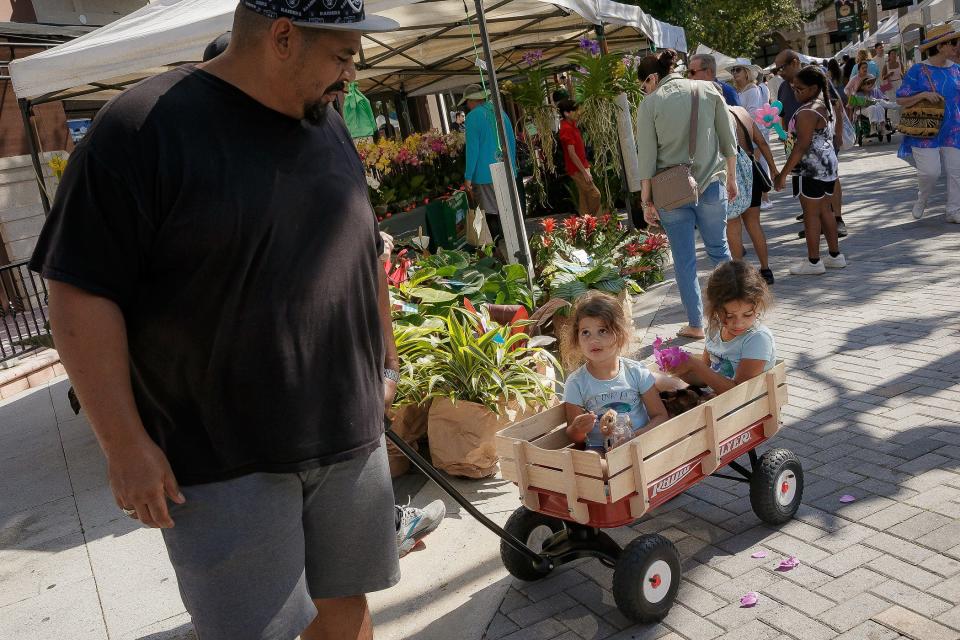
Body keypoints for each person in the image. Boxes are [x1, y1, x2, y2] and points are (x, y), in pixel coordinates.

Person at [28, 1, 424, 638]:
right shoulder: (139, 129)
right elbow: (78, 295)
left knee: (346, 612)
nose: (351, 74)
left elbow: (364, 248)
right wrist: (124, 445)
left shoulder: (324, 124)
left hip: (347, 437)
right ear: (284, 37)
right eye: (343, 55)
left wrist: (387, 364)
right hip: (220, 456)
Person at [636, 49, 737, 340]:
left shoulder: (650, 104)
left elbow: (647, 159)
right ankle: (733, 315)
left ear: (653, 77)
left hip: (671, 190)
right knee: (720, 251)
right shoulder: (708, 90)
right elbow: (728, 140)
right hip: (711, 183)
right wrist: (732, 178)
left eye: (644, 84)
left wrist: (646, 201)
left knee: (684, 259)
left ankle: (696, 324)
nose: (645, 89)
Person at [562, 291, 669, 454]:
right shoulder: (576, 382)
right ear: (576, 338)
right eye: (585, 332)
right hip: (599, 449)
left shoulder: (635, 372)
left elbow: (660, 416)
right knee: (592, 459)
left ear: (619, 334)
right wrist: (578, 429)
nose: (593, 340)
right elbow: (574, 437)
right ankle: (608, 470)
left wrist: (636, 438)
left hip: (638, 443)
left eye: (603, 330)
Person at [662, 261, 776, 394]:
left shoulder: (757, 339)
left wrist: (695, 364)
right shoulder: (715, 328)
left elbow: (737, 393)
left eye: (747, 314)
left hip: (744, 408)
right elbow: (704, 380)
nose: (738, 323)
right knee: (653, 383)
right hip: (715, 400)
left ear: (758, 306)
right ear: (715, 308)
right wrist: (681, 370)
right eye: (729, 315)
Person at [775, 66, 847, 275]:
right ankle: (835, 256)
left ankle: (814, 261)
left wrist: (782, 174)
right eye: (794, 88)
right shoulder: (822, 104)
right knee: (826, 211)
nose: (795, 92)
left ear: (813, 87)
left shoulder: (807, 111)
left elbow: (802, 145)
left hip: (811, 169)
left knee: (811, 215)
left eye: (800, 89)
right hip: (826, 165)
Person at [896, 23, 960, 222]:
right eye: (953, 44)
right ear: (940, 46)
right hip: (925, 129)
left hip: (953, 129)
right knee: (930, 173)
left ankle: (953, 210)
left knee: (957, 173)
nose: (956, 47)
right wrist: (923, 94)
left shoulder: (957, 69)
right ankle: (922, 199)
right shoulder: (918, 70)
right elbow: (900, 99)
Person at [728, 106, 779, 285]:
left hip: (732, 175)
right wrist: (773, 169)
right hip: (752, 170)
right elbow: (762, 142)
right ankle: (766, 269)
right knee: (754, 223)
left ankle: (739, 275)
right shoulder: (741, 112)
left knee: (733, 226)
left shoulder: (717, 115)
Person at [461, 84, 518, 240]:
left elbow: (472, 149)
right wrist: (512, 167)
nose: (467, 106)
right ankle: (512, 242)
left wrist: (468, 177)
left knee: (490, 212)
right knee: (507, 210)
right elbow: (511, 141)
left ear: (473, 100)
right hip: (505, 169)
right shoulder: (500, 112)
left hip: (484, 173)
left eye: (467, 102)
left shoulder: (472, 117)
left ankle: (495, 249)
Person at [557, 99, 602, 216]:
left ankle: (585, 226)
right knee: (595, 194)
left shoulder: (571, 126)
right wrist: (584, 172)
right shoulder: (566, 129)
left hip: (581, 167)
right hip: (577, 169)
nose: (578, 112)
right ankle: (589, 221)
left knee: (584, 199)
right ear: (566, 113)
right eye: (574, 110)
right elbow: (572, 154)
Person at [850, 75, 897, 139]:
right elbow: (853, 104)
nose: (870, 85)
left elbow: (885, 98)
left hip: (873, 108)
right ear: (862, 86)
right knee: (873, 106)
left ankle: (882, 127)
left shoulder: (875, 91)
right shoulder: (858, 94)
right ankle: (873, 127)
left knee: (878, 106)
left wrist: (881, 100)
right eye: (868, 83)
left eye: (871, 83)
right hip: (861, 110)